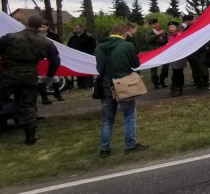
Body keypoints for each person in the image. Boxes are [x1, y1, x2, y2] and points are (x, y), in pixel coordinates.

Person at [0, 15, 60, 145]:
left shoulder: (10, 37)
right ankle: (30, 135)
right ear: (40, 26)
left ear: (26, 23)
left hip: (9, 73)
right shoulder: (46, 42)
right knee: (28, 105)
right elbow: (55, 60)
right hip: (30, 75)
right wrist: (49, 76)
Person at [95, 23, 148, 156]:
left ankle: (104, 148)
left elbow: (98, 67)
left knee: (107, 119)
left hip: (106, 84)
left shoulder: (99, 46)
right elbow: (135, 64)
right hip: (123, 84)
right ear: (124, 34)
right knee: (129, 115)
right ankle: (130, 145)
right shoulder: (127, 45)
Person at [37, 21, 65, 103]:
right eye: (40, 27)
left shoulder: (54, 36)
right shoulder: (34, 36)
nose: (42, 29)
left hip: (51, 58)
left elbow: (59, 46)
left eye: (44, 27)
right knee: (41, 78)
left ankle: (57, 93)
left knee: (54, 77)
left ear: (48, 27)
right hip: (41, 59)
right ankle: (44, 97)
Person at [182, 14, 210, 89]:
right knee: (194, 67)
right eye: (186, 21)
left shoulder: (199, 27)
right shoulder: (187, 28)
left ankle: (205, 81)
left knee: (202, 66)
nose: (186, 22)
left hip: (201, 50)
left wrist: (206, 47)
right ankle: (198, 82)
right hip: (191, 51)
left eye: (188, 21)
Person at [68, 23, 97, 89]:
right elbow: (69, 46)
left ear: (82, 28)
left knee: (87, 71)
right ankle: (80, 85)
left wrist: (89, 55)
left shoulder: (89, 36)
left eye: (77, 28)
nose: (75, 30)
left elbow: (93, 46)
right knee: (79, 71)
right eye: (74, 28)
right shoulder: (72, 38)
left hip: (86, 56)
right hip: (76, 57)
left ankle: (89, 84)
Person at [145, 18, 169, 89]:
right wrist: (156, 34)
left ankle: (162, 80)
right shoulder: (149, 32)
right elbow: (148, 40)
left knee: (165, 67)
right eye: (153, 24)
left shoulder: (164, 31)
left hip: (163, 51)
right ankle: (155, 82)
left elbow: (167, 40)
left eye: (156, 23)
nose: (155, 25)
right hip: (154, 52)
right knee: (154, 69)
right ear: (151, 25)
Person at [167, 21, 187, 97]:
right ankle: (175, 87)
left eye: (172, 27)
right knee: (175, 73)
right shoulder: (171, 36)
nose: (170, 28)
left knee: (179, 73)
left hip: (180, 57)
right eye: (169, 27)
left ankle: (179, 89)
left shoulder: (181, 34)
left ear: (176, 27)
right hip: (173, 57)